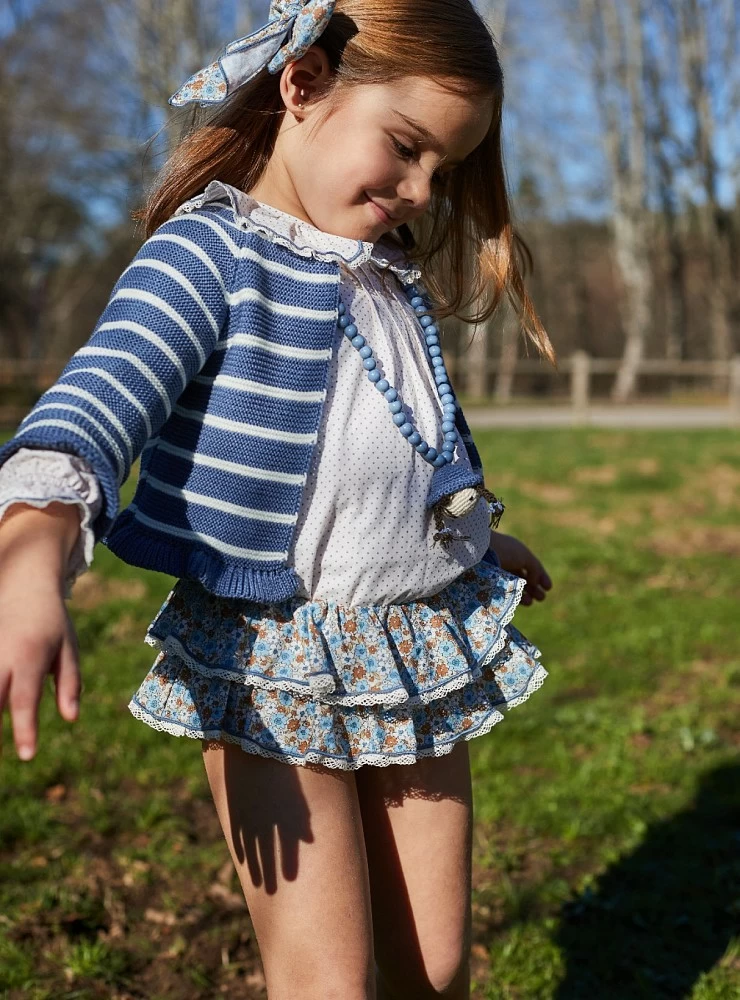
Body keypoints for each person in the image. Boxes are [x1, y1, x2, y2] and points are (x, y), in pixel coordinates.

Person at [0, 1, 555, 996]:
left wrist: (468, 547)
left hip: (413, 643)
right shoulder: (208, 255)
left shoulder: (386, 280)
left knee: (434, 972)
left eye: (445, 168)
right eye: (405, 146)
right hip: (271, 662)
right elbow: (96, 402)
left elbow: (403, 439)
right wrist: (30, 554)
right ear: (301, 85)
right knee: (327, 981)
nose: (421, 188)